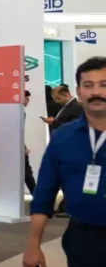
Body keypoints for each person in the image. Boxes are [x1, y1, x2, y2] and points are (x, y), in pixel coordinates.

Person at [24, 57, 106, 267]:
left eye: (104, 84)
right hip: (85, 242)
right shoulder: (63, 138)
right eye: (89, 85)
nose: (96, 91)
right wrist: (33, 245)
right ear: (79, 91)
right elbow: (44, 194)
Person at [45, 85, 83, 217]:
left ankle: (70, 208)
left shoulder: (76, 107)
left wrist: (54, 123)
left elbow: (74, 127)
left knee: (70, 179)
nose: (56, 101)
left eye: (58, 98)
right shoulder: (67, 107)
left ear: (66, 94)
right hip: (65, 147)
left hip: (72, 149)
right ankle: (65, 206)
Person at [24, 90, 37, 195]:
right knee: (27, 173)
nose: (28, 101)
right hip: (16, 149)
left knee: (27, 172)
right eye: (27, 98)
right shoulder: (19, 113)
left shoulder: (21, 112)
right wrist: (22, 148)